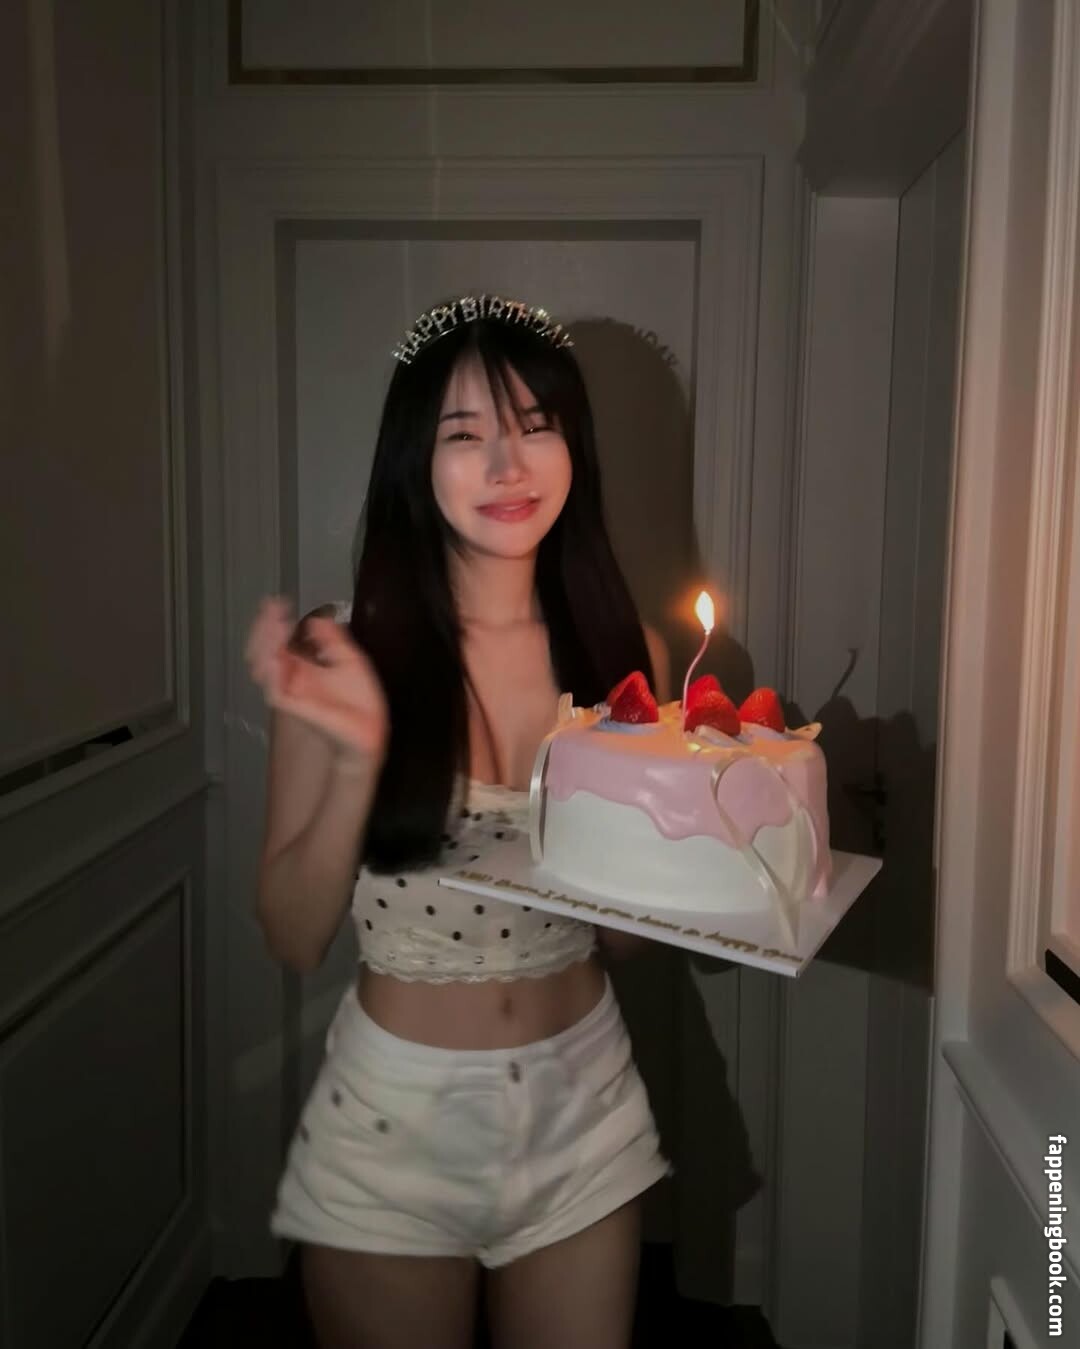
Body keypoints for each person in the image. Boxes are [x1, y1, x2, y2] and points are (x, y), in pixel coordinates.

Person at [244, 294, 674, 1349]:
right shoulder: (340, 648)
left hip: (585, 1105)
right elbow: (293, 936)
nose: (507, 465)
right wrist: (360, 757)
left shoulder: (630, 654)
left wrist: (697, 850)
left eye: (536, 424)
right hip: (396, 1123)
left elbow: (625, 939)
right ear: (414, 461)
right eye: (464, 433)